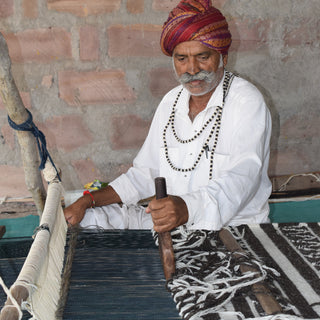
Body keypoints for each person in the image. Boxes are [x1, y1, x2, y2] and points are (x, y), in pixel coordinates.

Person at [64, 0, 272, 233]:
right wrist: (88, 201)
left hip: (232, 229)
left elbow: (242, 178)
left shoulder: (246, 102)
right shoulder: (171, 102)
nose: (192, 69)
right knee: (88, 219)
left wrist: (186, 208)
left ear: (223, 57)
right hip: (173, 226)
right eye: (181, 59)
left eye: (203, 57)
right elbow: (145, 173)